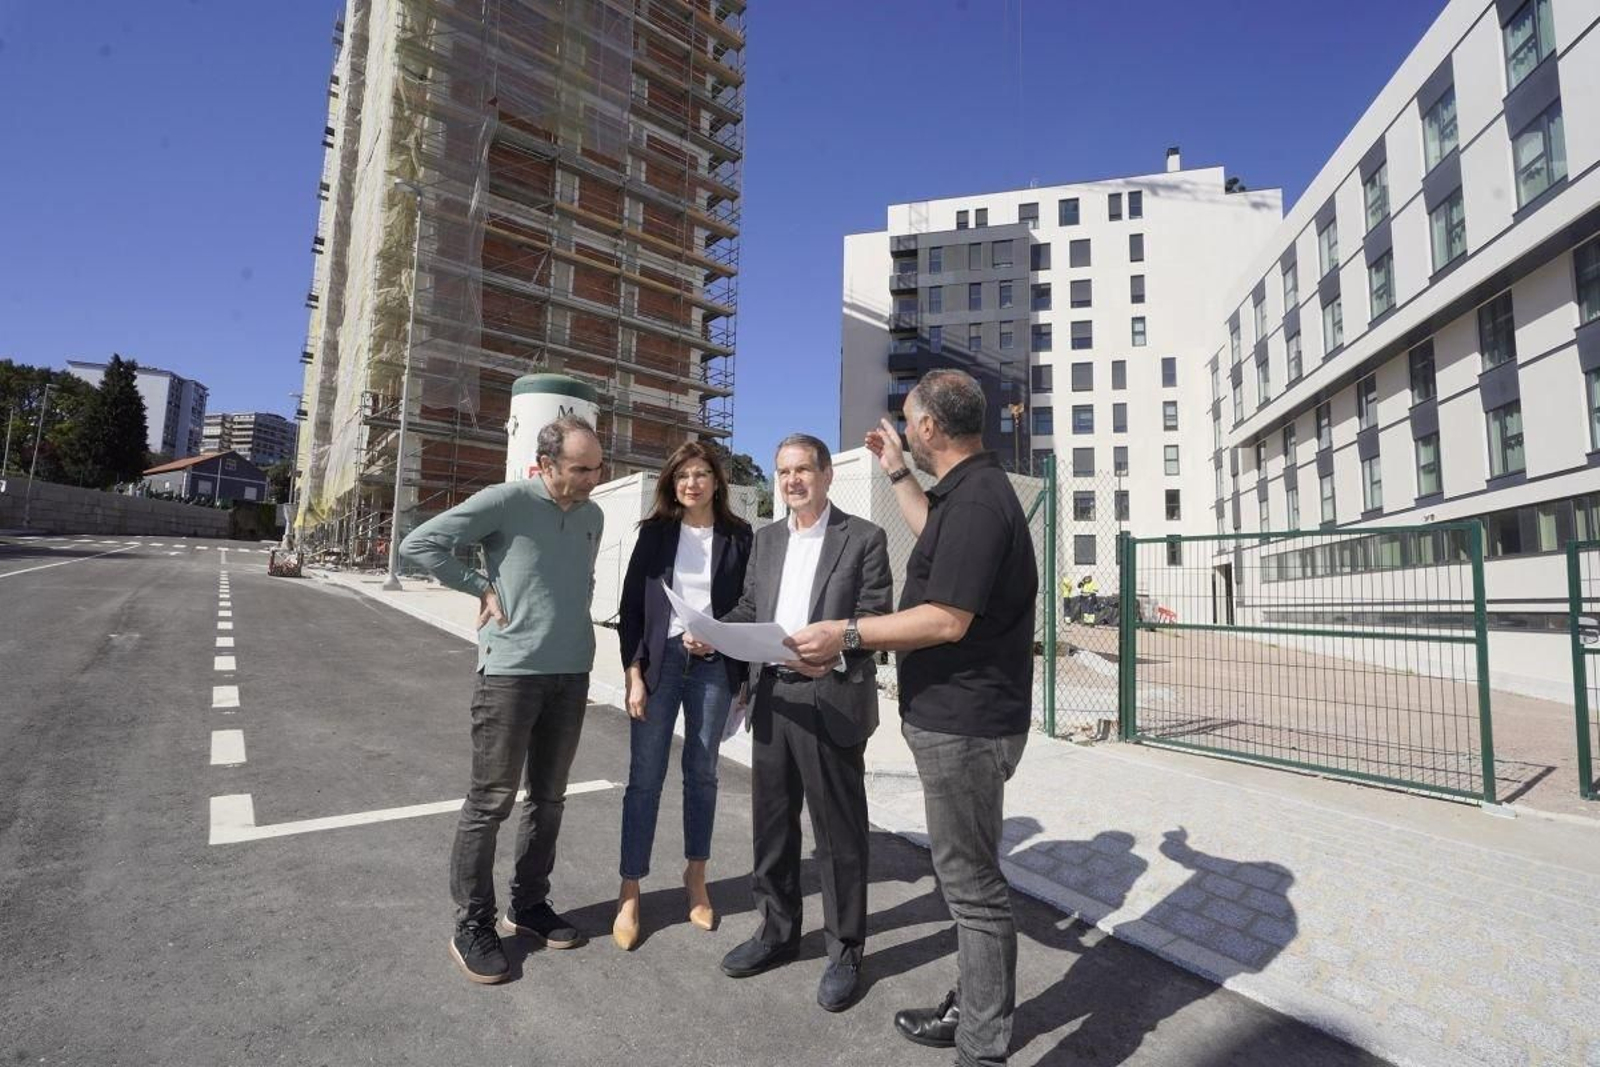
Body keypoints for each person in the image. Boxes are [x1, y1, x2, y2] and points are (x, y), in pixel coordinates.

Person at [788, 370, 1038, 1067]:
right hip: (960, 720)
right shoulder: (969, 493)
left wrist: (848, 632)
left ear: (931, 426)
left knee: (972, 888)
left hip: (967, 726)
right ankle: (976, 1007)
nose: (906, 430)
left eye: (908, 421)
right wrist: (895, 471)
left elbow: (946, 617)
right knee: (969, 881)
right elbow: (937, 542)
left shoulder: (983, 501)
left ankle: (982, 1047)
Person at [399, 415, 606, 985]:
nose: (593, 477)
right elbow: (420, 544)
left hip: (572, 672)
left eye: (597, 466)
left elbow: (574, 582)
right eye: (581, 468)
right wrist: (480, 587)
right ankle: (472, 922)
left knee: (550, 798)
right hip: (510, 675)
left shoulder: (592, 514)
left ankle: (529, 905)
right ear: (545, 466)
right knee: (490, 802)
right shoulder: (507, 500)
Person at [715, 433, 891, 1014]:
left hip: (830, 699)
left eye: (803, 470)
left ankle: (844, 949)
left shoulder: (863, 538)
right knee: (772, 826)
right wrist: (711, 631)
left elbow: (876, 620)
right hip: (772, 699)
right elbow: (749, 609)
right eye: (784, 472)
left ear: (826, 475)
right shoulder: (764, 541)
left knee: (839, 836)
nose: (793, 481)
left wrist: (836, 647)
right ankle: (776, 931)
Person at [613, 442, 754, 950]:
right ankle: (631, 890)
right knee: (644, 778)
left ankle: (697, 877)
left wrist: (732, 658)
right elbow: (630, 608)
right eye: (682, 477)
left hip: (715, 665)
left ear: (718, 481)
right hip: (660, 662)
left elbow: (748, 605)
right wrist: (633, 671)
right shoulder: (655, 535)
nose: (691, 483)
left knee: (703, 773)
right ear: (672, 485)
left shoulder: (740, 537)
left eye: (701, 474)